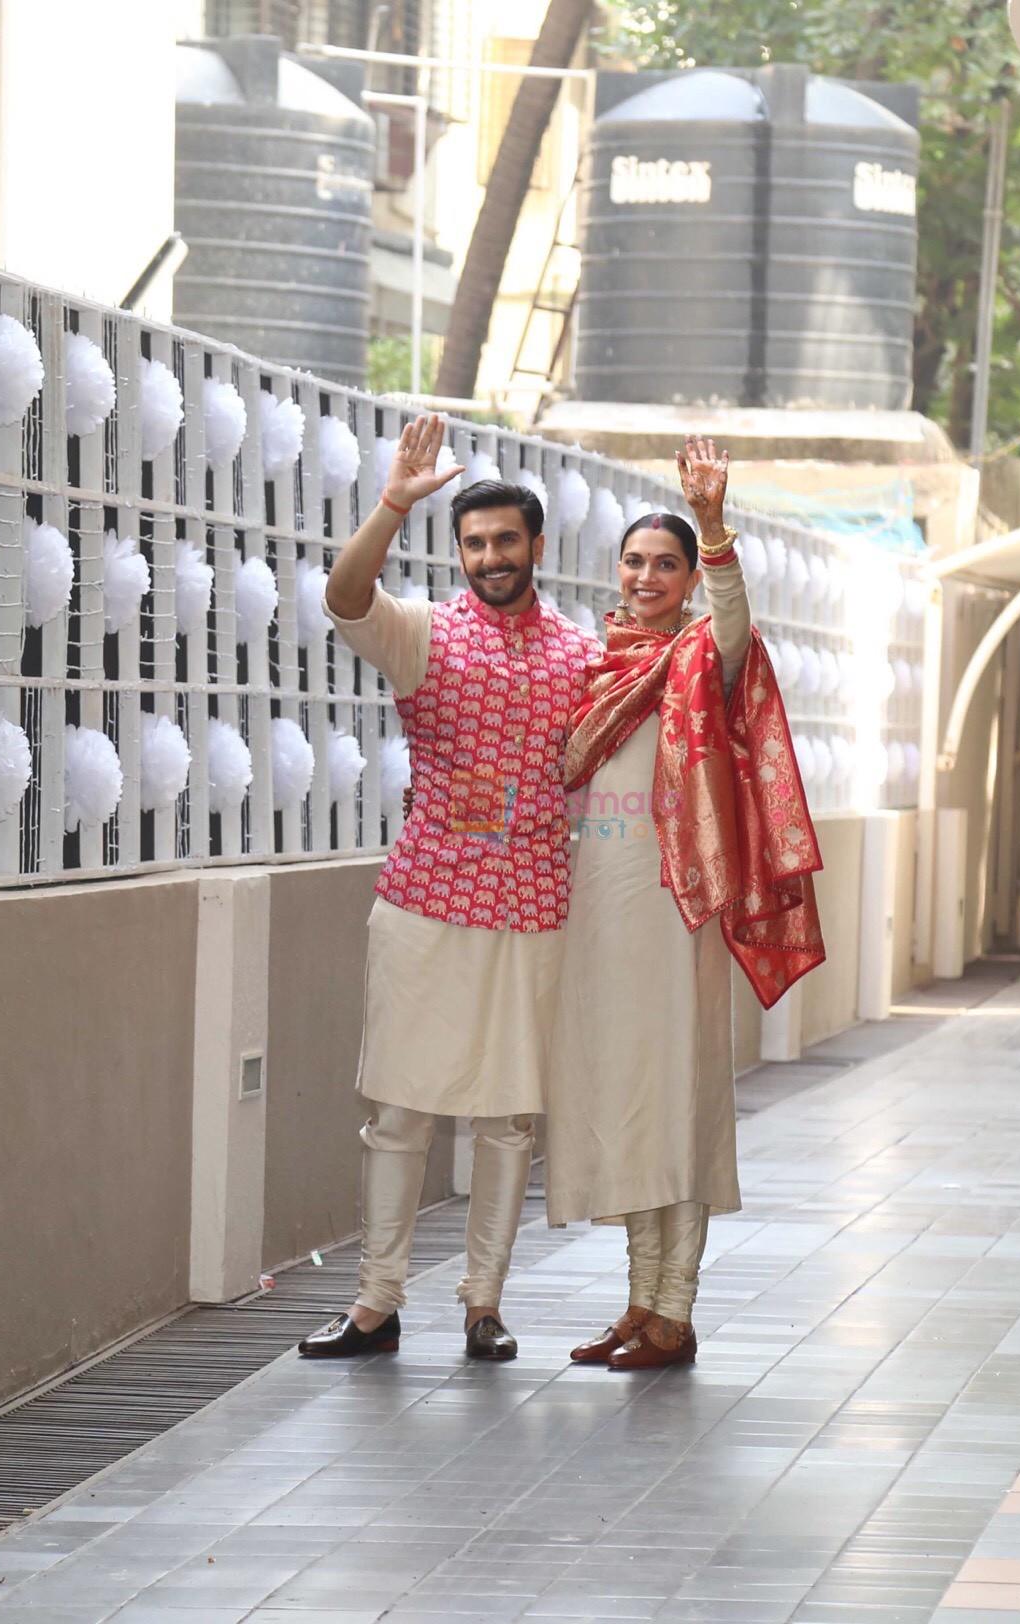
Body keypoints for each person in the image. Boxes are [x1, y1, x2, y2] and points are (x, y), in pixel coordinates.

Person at [297, 414, 601, 1364]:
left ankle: (482, 1305)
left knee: (508, 1118)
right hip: (428, 900)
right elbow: (344, 598)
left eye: (507, 540)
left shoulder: (580, 656)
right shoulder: (424, 633)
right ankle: (377, 1303)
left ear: (537, 547)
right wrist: (392, 505)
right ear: (458, 550)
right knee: (399, 1112)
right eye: (474, 543)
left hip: (533, 907)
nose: (491, 557)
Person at [546, 435, 825, 1371]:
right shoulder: (594, 666)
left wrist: (711, 530)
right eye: (635, 560)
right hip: (601, 912)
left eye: (665, 564)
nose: (647, 576)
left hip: (682, 910)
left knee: (679, 1100)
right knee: (625, 1098)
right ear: (615, 571)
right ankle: (639, 1298)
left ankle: (678, 1307)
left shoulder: (708, 657)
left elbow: (735, 622)